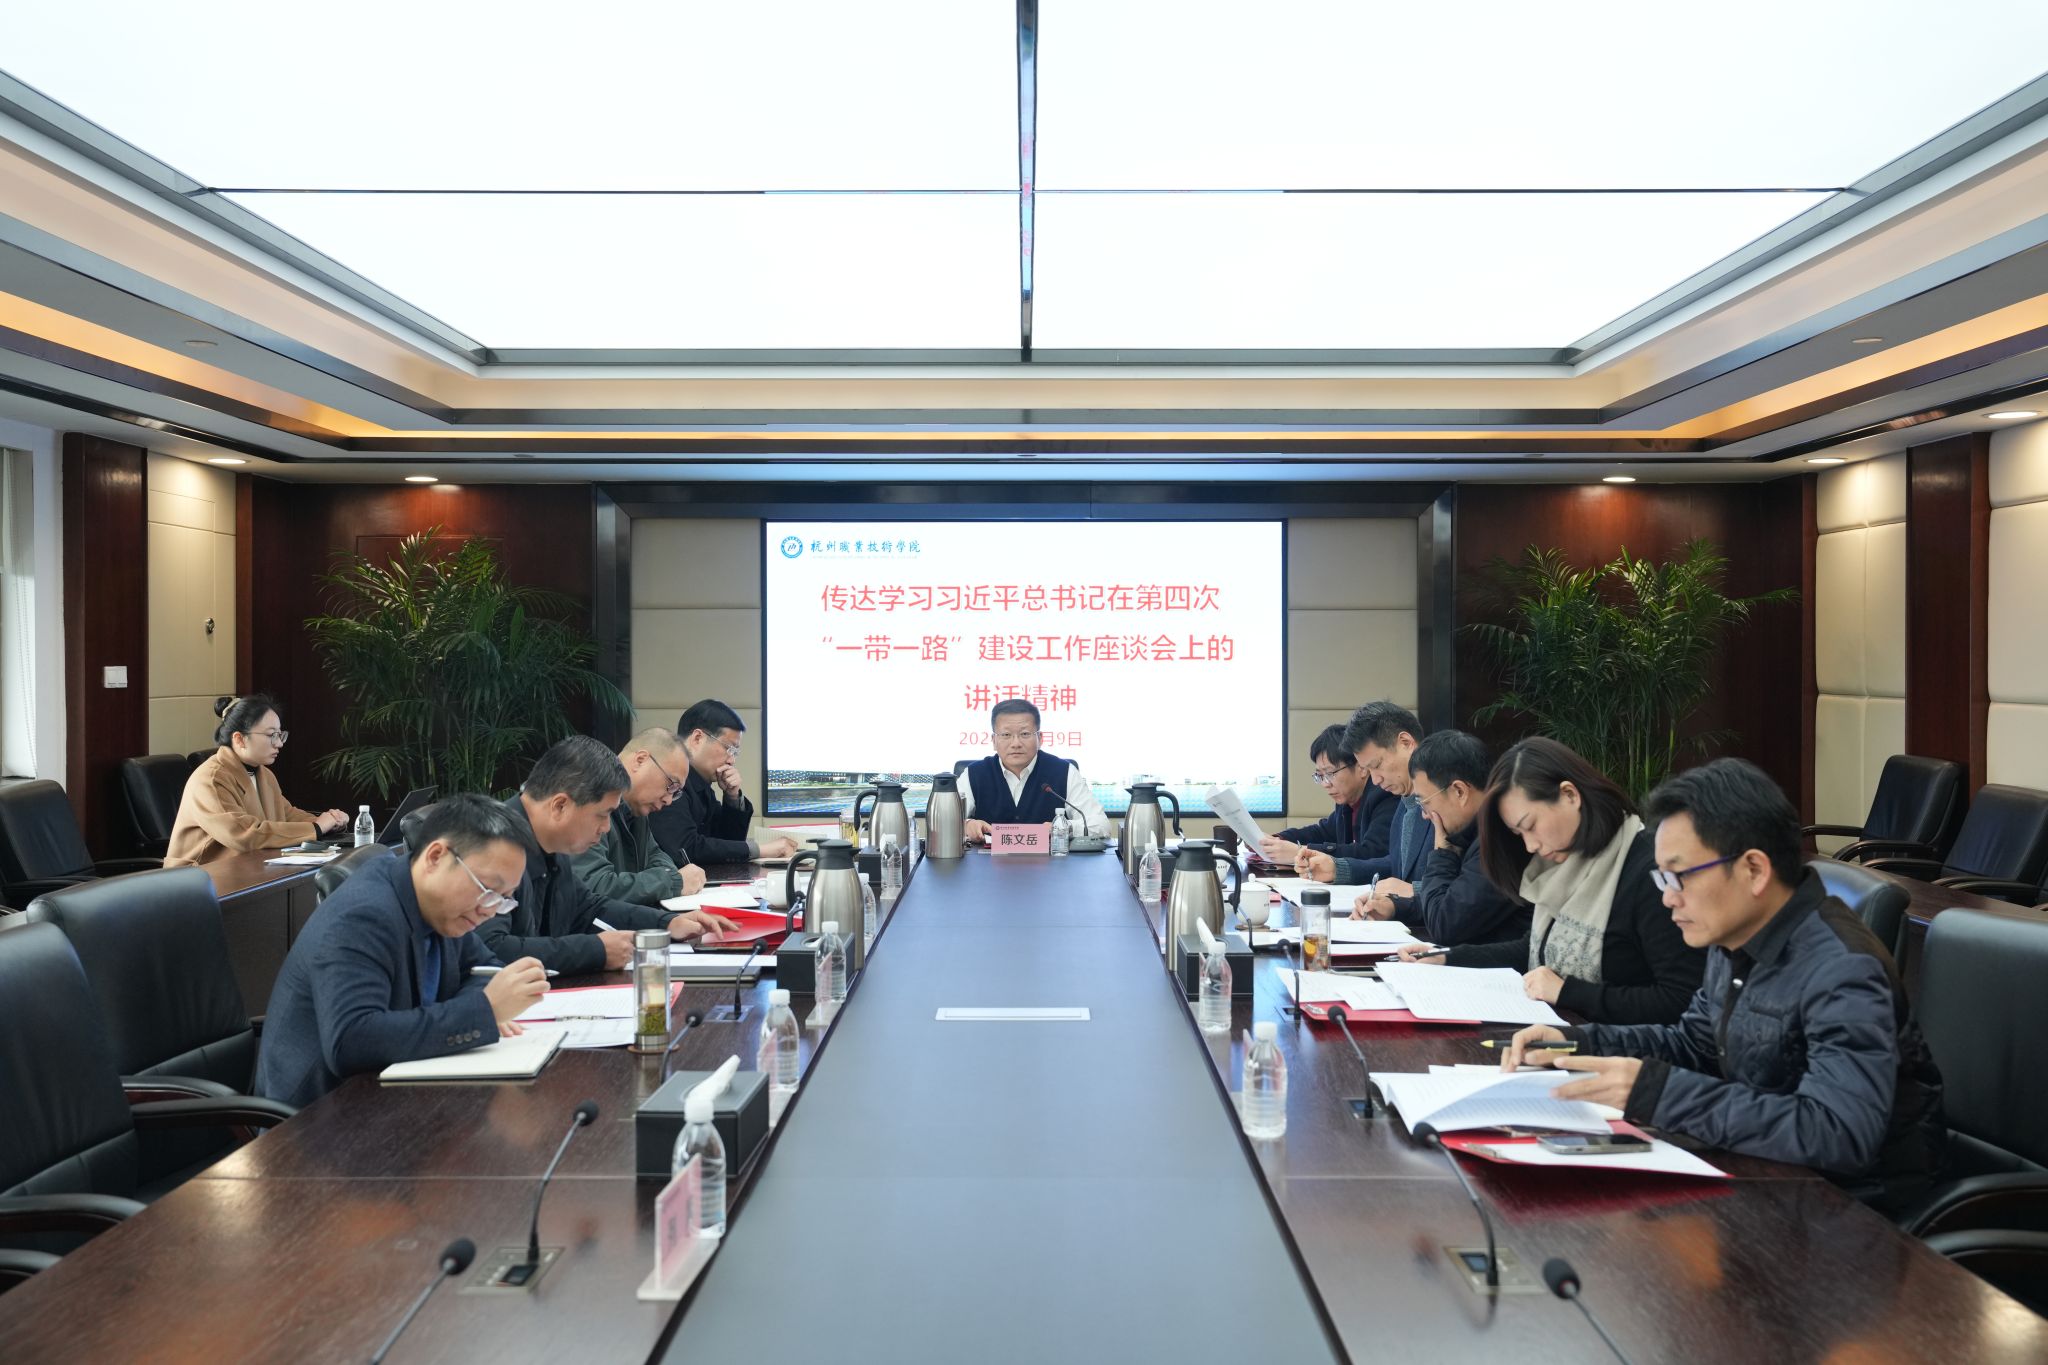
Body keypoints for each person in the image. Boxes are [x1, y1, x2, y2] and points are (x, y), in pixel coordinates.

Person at [1501, 758, 1945, 1208]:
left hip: (1853, 1207)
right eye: (1661, 877)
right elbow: (1694, 1044)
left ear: (1753, 870)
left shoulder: (1843, 970)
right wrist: (1576, 1044)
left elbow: (1838, 1133)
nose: (1667, 898)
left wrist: (1659, 1093)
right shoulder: (1735, 937)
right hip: (1768, 1171)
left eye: (1679, 877)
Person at [255, 794, 550, 1107]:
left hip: (395, 1092)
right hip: (318, 1116)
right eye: (487, 890)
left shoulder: (440, 905)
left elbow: (484, 970)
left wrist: (478, 1012)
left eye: (503, 898)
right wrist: (483, 1013)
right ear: (436, 857)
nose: (490, 910)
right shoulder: (363, 916)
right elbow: (352, 1041)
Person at [1398, 736, 1704, 1024]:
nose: (1530, 845)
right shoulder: (1564, 863)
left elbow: (1681, 1001)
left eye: (1530, 825)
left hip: (1621, 1050)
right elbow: (1535, 949)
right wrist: (1447, 958)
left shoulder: (1647, 870)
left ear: (1569, 795)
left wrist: (1568, 992)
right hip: (1566, 1034)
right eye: (1519, 834)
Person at [480, 737, 736, 975]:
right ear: (560, 805)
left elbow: (586, 907)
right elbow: (490, 949)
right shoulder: (492, 845)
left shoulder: (549, 841)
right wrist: (596, 951)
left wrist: (667, 923)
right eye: (602, 815)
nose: (605, 828)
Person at [165, 693, 350, 866]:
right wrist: (316, 828)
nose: (279, 743)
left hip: (244, 868)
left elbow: (286, 815)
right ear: (239, 739)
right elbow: (243, 834)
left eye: (280, 735)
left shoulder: (264, 774)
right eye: (271, 735)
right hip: (198, 877)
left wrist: (329, 822)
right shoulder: (211, 780)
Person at [1294, 701, 1431, 912]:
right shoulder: (1407, 801)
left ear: (1406, 743)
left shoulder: (1448, 800)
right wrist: (1338, 869)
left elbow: (1470, 887)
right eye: (1368, 769)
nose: (1375, 780)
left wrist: (1415, 890)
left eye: (1376, 766)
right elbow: (1397, 866)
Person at [1400, 730, 1530, 947]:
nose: (1425, 815)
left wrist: (1443, 853)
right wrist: (1397, 906)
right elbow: (1456, 898)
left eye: (1424, 802)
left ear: (1459, 791)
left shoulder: (1501, 839)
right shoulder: (1478, 829)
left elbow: (1445, 925)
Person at [648, 700, 798, 867]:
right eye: (729, 748)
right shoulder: (668, 780)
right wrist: (760, 849)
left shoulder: (700, 784)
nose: (731, 760)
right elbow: (686, 848)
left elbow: (726, 843)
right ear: (697, 738)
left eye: (735, 752)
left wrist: (732, 798)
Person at [573, 728, 709, 906]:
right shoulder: (588, 796)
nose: (669, 800)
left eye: (676, 792)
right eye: (671, 785)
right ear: (640, 760)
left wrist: (667, 879)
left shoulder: (636, 809)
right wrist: (673, 882)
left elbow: (656, 856)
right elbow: (595, 887)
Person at [959, 698, 1110, 845]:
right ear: (993, 740)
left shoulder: (1064, 772)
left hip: (1052, 861)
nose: (1016, 743)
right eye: (1006, 735)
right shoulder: (974, 774)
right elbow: (945, 822)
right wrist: (966, 825)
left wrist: (1062, 827)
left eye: (1025, 734)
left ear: (1040, 738)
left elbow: (1101, 824)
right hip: (986, 861)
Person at [1257, 723, 1397, 866]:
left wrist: (1302, 852)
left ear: (1361, 767)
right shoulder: (1347, 801)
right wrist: (1277, 840)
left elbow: (1373, 852)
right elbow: (1322, 832)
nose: (1325, 784)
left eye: (1330, 773)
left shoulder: (1385, 795)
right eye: (1320, 775)